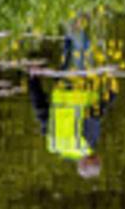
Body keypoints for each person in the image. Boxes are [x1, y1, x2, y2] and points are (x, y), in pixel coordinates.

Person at [28, 13, 119, 179]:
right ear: (79, 163)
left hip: (81, 84)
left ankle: (69, 10)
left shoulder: (87, 144)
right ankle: (62, 11)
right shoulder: (54, 145)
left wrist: (112, 93)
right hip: (62, 85)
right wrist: (33, 80)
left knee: (81, 47)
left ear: (95, 158)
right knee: (69, 48)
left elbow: (94, 114)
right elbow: (40, 110)